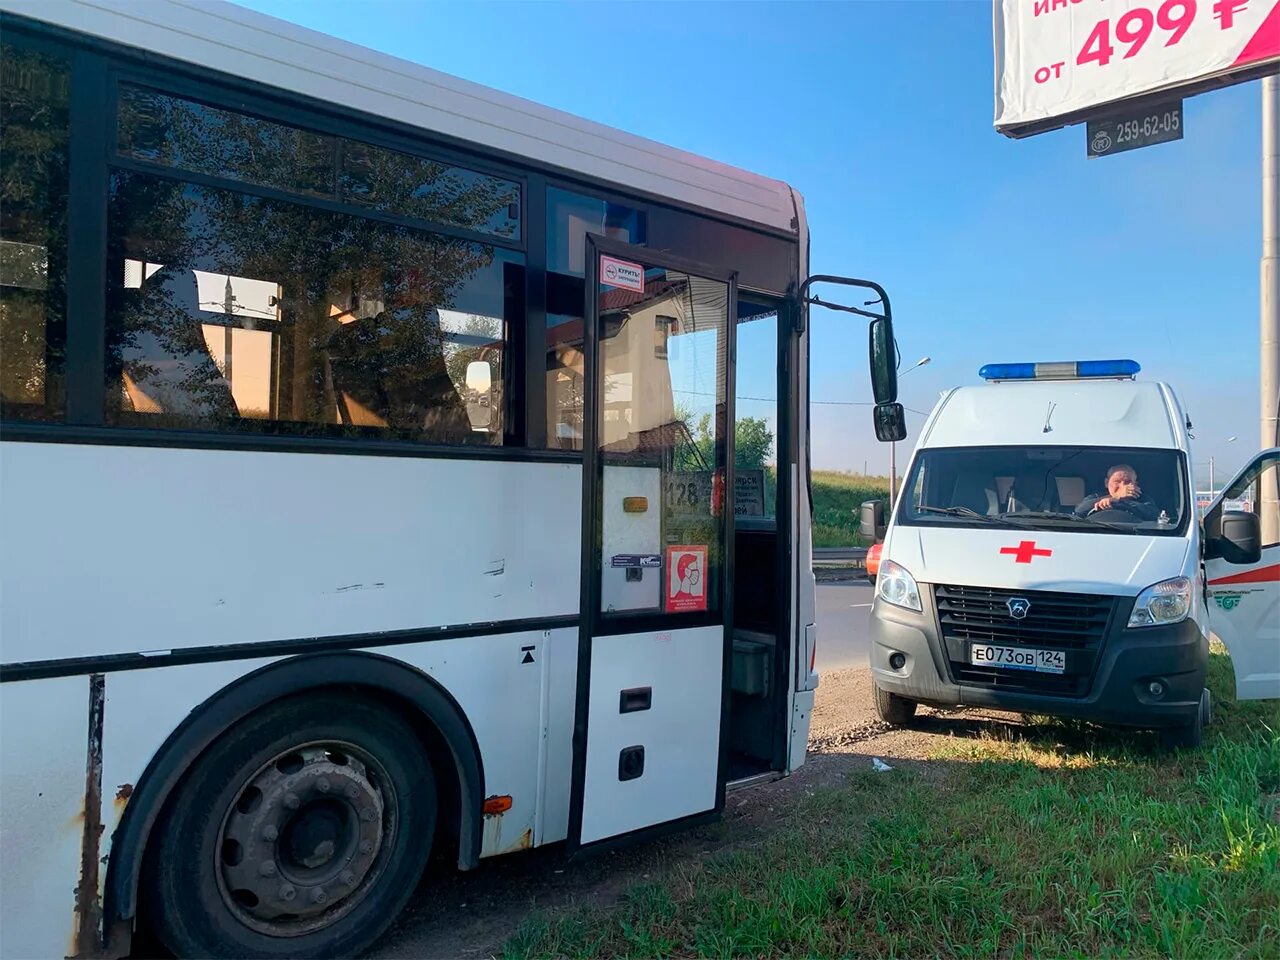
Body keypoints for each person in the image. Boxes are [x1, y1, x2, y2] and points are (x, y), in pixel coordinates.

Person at [1075, 464, 1160, 521]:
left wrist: (1120, 501)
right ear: (1106, 483)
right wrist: (1114, 497)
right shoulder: (1096, 496)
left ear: (1135, 484)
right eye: (1117, 481)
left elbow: (1154, 514)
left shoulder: (1142, 498)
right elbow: (1079, 511)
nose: (1122, 486)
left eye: (1127, 482)